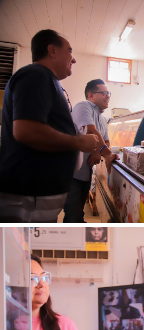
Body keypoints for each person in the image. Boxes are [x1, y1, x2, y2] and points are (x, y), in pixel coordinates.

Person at [0, 29, 98, 223]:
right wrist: (78, 142)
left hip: (37, 195)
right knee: (24, 251)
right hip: (29, 194)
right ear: (52, 50)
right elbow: (26, 130)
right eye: (70, 51)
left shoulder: (47, 80)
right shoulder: (36, 74)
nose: (74, 59)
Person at [64, 80, 119, 222]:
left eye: (109, 93)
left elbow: (105, 142)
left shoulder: (103, 119)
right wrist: (105, 154)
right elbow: (90, 130)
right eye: (104, 93)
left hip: (86, 173)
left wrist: (98, 151)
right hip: (73, 174)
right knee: (73, 215)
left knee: (78, 213)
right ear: (91, 96)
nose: (108, 96)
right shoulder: (83, 106)